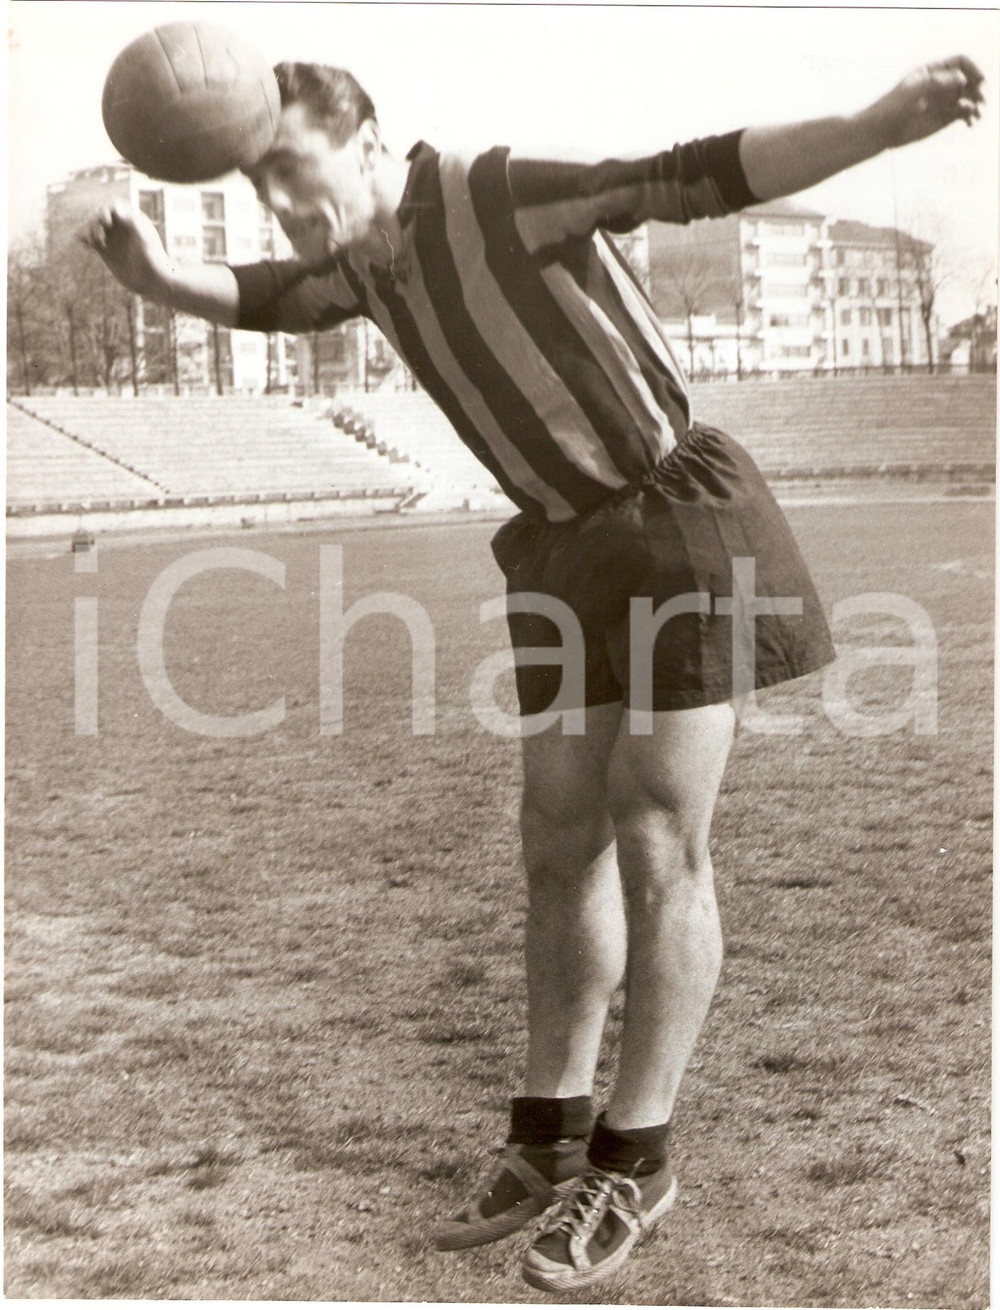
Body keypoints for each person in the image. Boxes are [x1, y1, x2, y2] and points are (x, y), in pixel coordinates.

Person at [84, 51, 984, 1293]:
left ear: (366, 140)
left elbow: (690, 175)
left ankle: (639, 1154)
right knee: (555, 840)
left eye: (289, 167)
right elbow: (269, 295)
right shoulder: (360, 257)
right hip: (559, 543)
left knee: (655, 828)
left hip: (674, 516)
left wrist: (880, 122)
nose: (282, 201)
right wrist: (154, 276)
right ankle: (546, 1136)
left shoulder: (490, 193)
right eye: (257, 179)